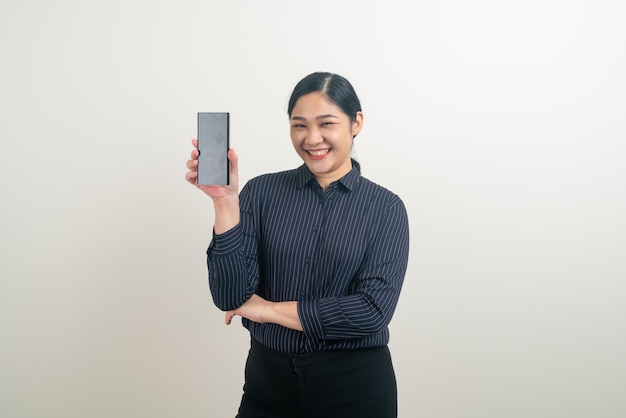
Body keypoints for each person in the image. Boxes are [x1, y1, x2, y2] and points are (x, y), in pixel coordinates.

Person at [185, 72, 410, 418]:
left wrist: (266, 310)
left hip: (356, 391)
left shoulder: (386, 209)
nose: (312, 138)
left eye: (326, 123)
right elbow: (230, 297)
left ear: (356, 123)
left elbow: (371, 313)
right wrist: (225, 202)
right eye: (299, 125)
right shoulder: (261, 193)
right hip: (267, 387)